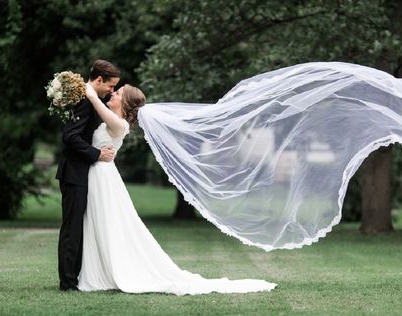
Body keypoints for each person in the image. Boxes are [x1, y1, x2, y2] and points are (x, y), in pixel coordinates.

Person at [77, 83, 276, 294]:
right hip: (100, 174)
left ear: (125, 104)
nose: (112, 93)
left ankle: (107, 272)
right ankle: (98, 270)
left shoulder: (120, 124)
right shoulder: (113, 119)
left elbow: (100, 109)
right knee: (99, 222)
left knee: (106, 223)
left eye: (117, 93)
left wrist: (91, 95)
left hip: (103, 177)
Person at [55, 60, 120, 291]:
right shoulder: (85, 101)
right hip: (74, 174)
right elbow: (70, 137)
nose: (112, 91)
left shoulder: (94, 100)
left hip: (82, 174)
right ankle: (68, 282)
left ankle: (76, 277)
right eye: (111, 86)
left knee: (79, 228)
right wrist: (97, 154)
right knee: (72, 229)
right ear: (99, 80)